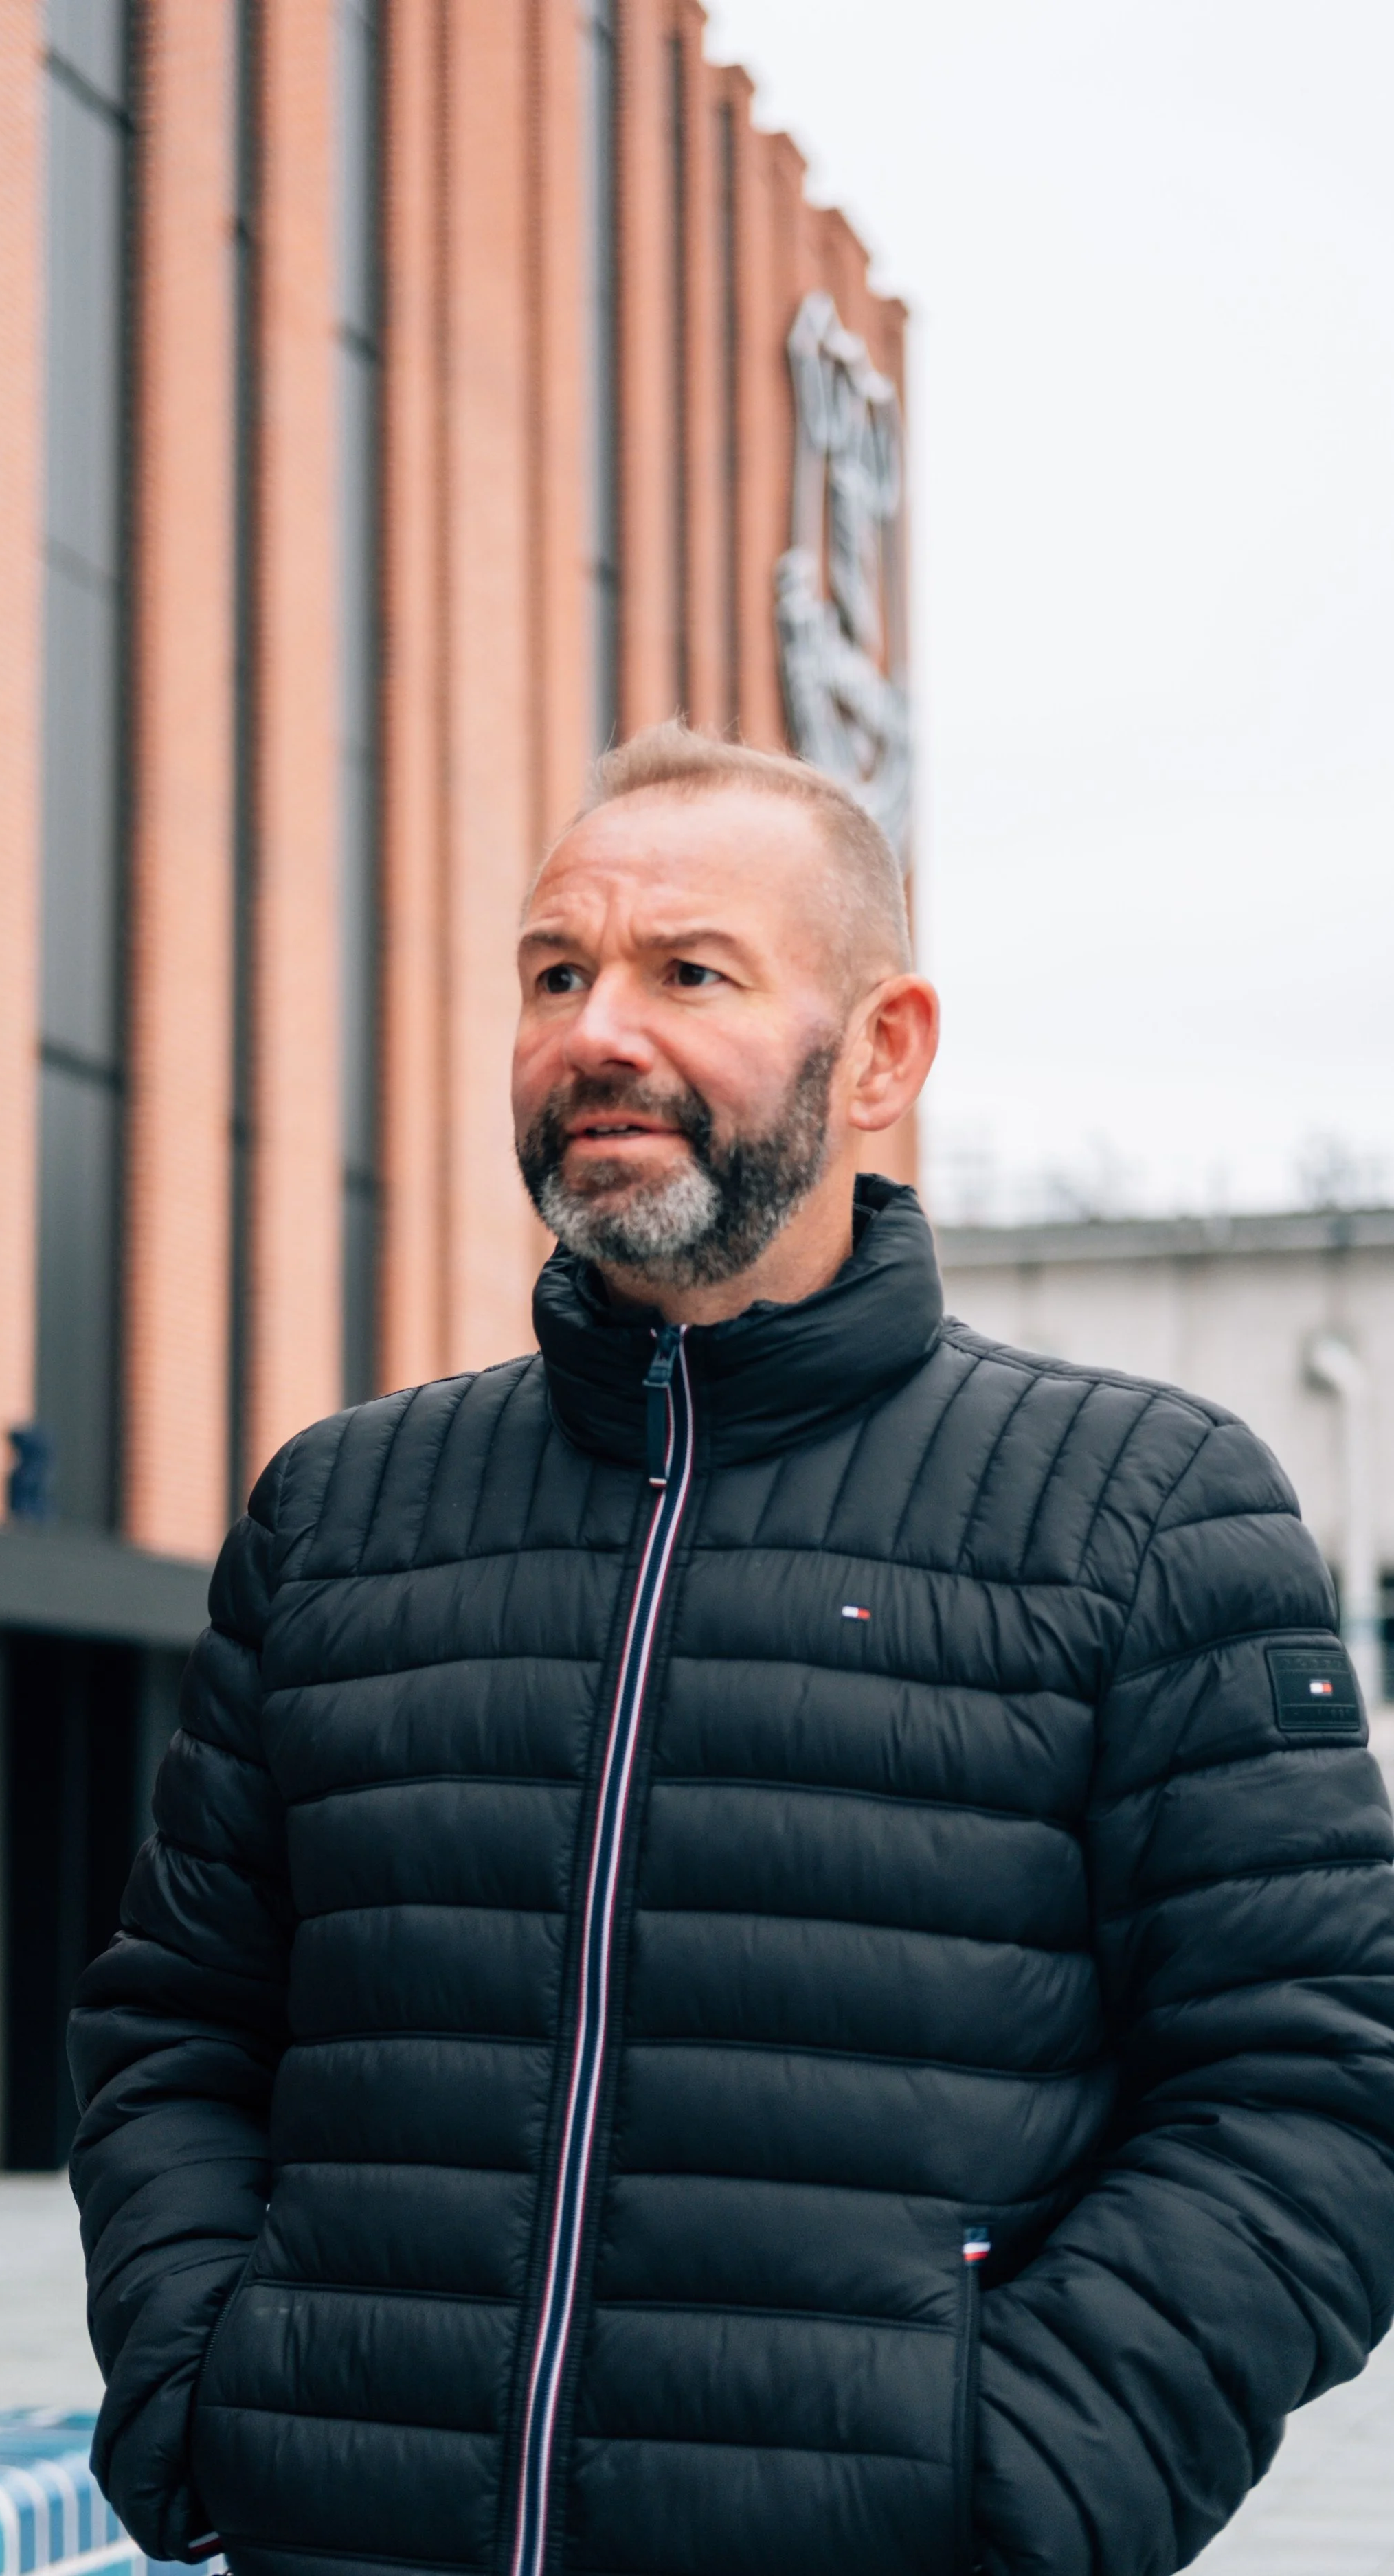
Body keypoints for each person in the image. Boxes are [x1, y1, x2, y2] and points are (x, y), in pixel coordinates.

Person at [70, 721, 1394, 2576]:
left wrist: (1006, 2480)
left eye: (688, 971)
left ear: (879, 1052)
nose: (596, 1027)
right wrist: (207, 2385)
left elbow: (1311, 2088)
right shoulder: (339, 1512)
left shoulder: (1141, 1510)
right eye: (556, 971)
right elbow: (180, 2026)